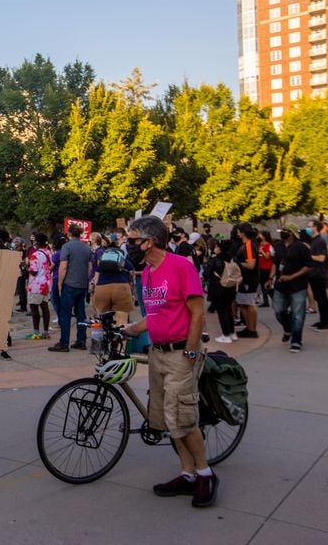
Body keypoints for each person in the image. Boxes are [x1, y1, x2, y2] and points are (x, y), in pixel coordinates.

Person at [123, 215, 218, 508]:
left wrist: (190, 353)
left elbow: (197, 314)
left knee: (183, 418)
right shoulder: (149, 272)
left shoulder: (180, 267)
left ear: (148, 241)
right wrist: (126, 329)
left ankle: (205, 474)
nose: (128, 246)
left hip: (181, 354)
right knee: (167, 417)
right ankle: (187, 474)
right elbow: (154, 317)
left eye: (132, 240)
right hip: (158, 353)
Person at [48, 222, 92, 352]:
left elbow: (63, 267)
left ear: (70, 233)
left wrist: (60, 283)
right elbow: (89, 268)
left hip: (70, 284)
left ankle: (64, 342)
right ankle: (81, 340)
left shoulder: (67, 247)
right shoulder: (86, 248)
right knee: (80, 313)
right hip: (82, 284)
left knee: (65, 313)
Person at [269, 223, 312, 352]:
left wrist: (292, 276)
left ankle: (296, 341)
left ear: (292, 233)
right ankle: (288, 329)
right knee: (278, 310)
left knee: (298, 315)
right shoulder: (279, 246)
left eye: (285, 231)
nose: (283, 233)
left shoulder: (301, 248)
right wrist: (271, 277)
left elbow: (308, 266)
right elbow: (275, 263)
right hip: (281, 285)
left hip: (297, 286)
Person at [91, 235, 134, 317]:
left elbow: (96, 278)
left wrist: (93, 291)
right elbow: (131, 277)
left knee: (102, 319)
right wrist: (131, 292)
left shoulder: (103, 259)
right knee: (122, 321)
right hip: (121, 287)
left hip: (102, 288)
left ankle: (102, 328)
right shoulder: (124, 259)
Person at [204, 239, 237, 343]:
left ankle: (225, 335)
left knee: (221, 311)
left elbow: (206, 274)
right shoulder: (232, 258)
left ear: (219, 248)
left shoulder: (214, 260)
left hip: (218, 287)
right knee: (229, 310)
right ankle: (232, 333)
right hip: (231, 286)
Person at [25, 232, 53, 341]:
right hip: (46, 283)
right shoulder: (48, 252)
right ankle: (46, 331)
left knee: (34, 307)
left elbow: (34, 271)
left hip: (36, 285)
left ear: (36, 242)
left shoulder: (35, 255)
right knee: (45, 307)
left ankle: (36, 332)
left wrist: (26, 268)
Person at [235, 223, 260, 339]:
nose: (237, 233)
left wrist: (237, 264)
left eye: (239, 231)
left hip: (249, 279)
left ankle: (252, 329)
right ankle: (249, 327)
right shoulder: (246, 245)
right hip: (245, 278)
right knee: (244, 303)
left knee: (249, 303)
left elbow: (251, 264)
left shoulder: (249, 245)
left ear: (243, 232)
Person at [306, 219, 328, 330]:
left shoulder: (319, 241)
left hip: (319, 273)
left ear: (315, 227)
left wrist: (308, 256)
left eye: (310, 226)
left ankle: (325, 321)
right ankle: (323, 320)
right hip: (314, 273)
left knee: (321, 298)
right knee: (319, 298)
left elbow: (321, 258)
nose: (308, 229)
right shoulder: (314, 241)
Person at [257, 230, 274, 307]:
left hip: (266, 267)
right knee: (262, 283)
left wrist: (262, 251)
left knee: (266, 284)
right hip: (260, 266)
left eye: (260, 235)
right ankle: (265, 300)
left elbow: (267, 256)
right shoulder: (259, 244)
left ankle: (274, 298)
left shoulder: (268, 245)